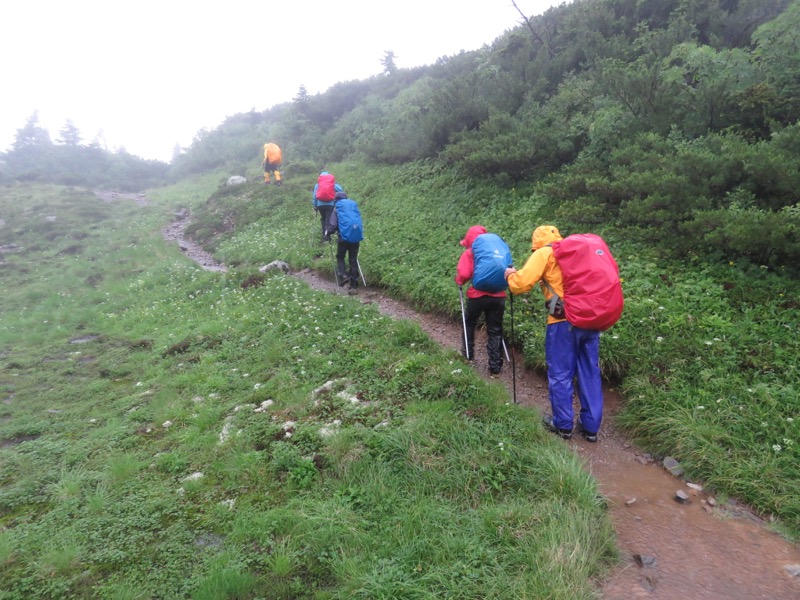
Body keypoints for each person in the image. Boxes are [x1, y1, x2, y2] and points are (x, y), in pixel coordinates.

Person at [503, 225, 603, 442]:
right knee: (589, 372)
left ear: (536, 243)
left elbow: (521, 285)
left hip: (562, 321)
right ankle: (591, 427)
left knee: (561, 373)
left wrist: (510, 275)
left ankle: (563, 424)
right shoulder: (578, 252)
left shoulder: (544, 253)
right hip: (591, 318)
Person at [455, 225, 507, 376]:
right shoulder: (496, 251)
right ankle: (495, 367)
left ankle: (468, 356)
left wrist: (459, 281)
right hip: (498, 296)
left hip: (477, 296)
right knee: (495, 329)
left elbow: (464, 274)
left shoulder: (470, 252)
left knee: (469, 323)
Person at [332, 191, 363, 294]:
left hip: (343, 238)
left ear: (336, 200)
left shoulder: (337, 208)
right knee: (353, 259)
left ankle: (343, 275)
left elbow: (333, 224)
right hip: (356, 236)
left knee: (340, 257)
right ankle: (354, 286)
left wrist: (327, 234)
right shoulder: (353, 206)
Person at [312, 171, 343, 242]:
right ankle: (327, 236)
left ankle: (325, 235)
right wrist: (334, 183)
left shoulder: (318, 184)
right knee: (328, 219)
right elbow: (340, 190)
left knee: (323, 219)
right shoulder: (332, 183)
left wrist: (315, 205)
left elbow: (314, 196)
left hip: (320, 205)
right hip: (330, 204)